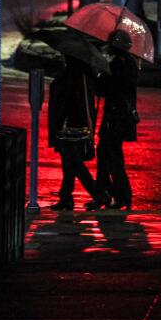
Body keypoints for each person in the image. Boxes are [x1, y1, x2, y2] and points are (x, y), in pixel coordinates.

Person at [47, 54, 108, 211]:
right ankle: (66, 197)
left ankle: (98, 194)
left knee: (74, 164)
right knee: (69, 164)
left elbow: (65, 101)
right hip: (77, 126)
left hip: (71, 127)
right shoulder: (84, 74)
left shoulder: (72, 75)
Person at [96, 30, 140, 210]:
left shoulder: (119, 64)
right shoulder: (128, 62)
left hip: (115, 117)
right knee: (109, 154)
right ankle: (108, 193)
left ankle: (114, 194)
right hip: (119, 116)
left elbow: (107, 88)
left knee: (110, 155)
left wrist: (101, 73)